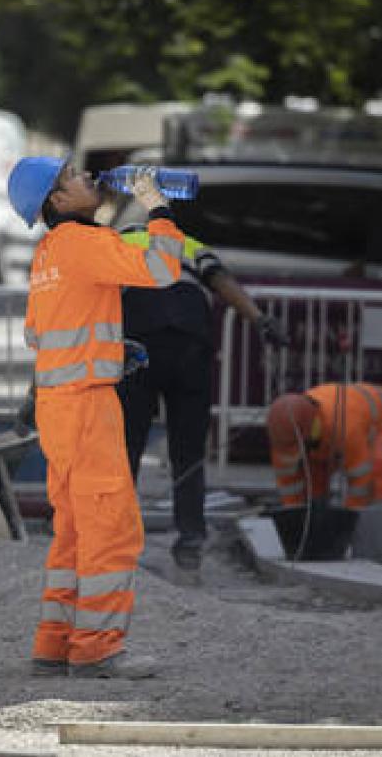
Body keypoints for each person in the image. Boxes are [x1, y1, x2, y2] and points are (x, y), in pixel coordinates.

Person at [7, 156, 185, 679]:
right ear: (58, 202)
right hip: (87, 405)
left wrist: (105, 346)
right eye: (72, 177)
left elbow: (41, 335)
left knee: (74, 532)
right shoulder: (87, 243)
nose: (86, 177)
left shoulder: (48, 254)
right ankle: (98, 649)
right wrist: (159, 208)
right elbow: (163, 268)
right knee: (111, 527)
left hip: (58, 407)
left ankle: (54, 642)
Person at [116, 227, 290, 575]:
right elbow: (222, 281)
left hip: (139, 340)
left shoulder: (115, 241)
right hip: (190, 343)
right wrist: (259, 319)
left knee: (125, 450)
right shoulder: (188, 245)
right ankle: (190, 543)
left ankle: (118, 545)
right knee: (189, 452)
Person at [266, 383, 382, 509]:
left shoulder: (345, 428)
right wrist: (296, 520)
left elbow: (361, 482)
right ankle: (316, 517)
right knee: (313, 470)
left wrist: (350, 522)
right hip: (337, 427)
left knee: (377, 476)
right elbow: (289, 487)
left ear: (313, 430)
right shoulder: (284, 432)